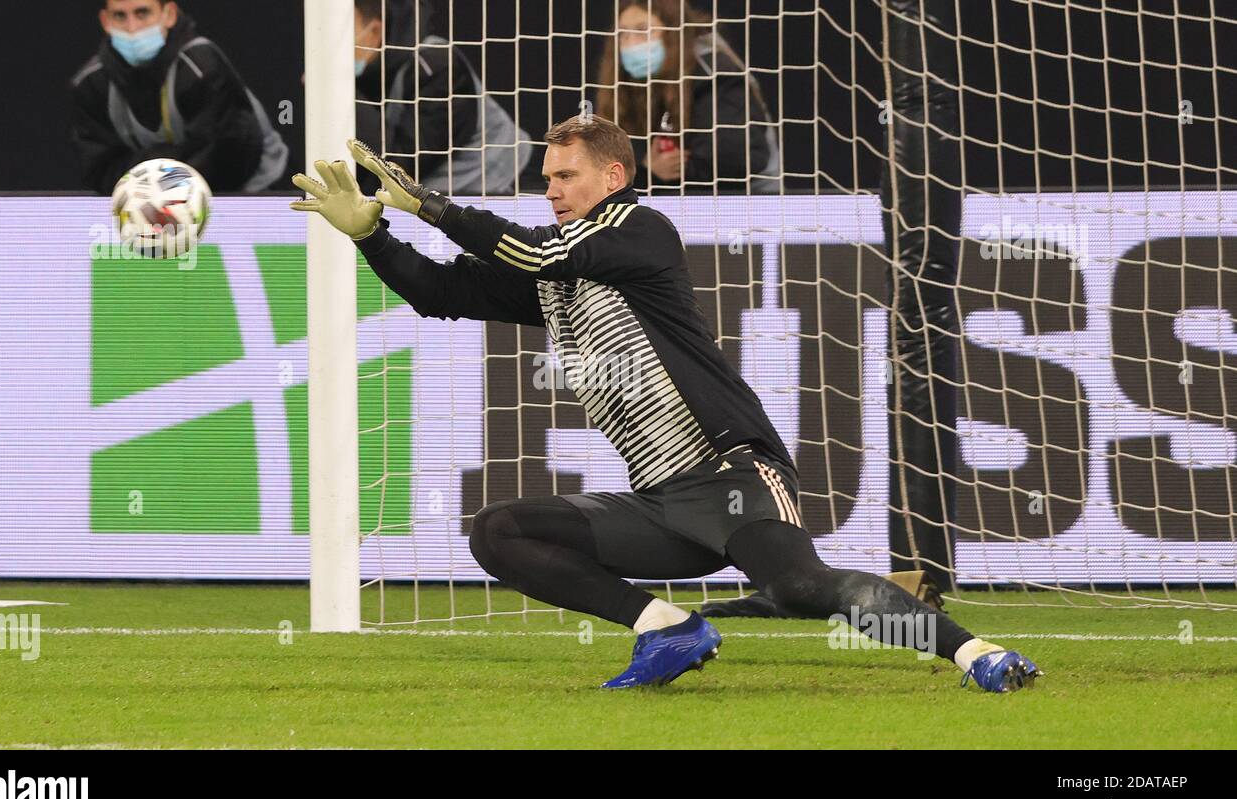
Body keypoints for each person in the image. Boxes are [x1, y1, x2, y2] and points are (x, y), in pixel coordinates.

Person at [288, 115, 1041, 692]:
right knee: (498, 531)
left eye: (566, 176)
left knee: (799, 588)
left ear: (613, 176)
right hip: (661, 504)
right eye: (547, 177)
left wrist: (431, 206)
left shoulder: (639, 230)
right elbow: (441, 294)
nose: (550, 190)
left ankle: (978, 654)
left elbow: (537, 251)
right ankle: (667, 627)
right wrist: (374, 236)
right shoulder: (557, 273)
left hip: (732, 472)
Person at [69, 0, 287, 193]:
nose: (132, 28)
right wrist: (162, 180)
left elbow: (228, 157)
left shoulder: (202, 66)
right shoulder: (90, 83)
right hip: (155, 206)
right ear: (105, 20)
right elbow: (101, 169)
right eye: (120, 16)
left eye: (142, 13)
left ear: (169, 14)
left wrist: (150, 177)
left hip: (260, 192)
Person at [594, 0, 781, 194]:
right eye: (623, 34)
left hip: (751, 199)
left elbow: (735, 158)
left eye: (643, 30)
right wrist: (648, 170)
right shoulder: (634, 82)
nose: (631, 44)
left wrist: (659, 171)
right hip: (684, 198)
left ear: (673, 32)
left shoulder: (714, 73)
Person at [352, 0, 530, 196]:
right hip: (428, 197)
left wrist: (347, 95)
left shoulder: (436, 67)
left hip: (488, 190)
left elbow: (399, 166)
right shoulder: (368, 74)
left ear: (374, 31)